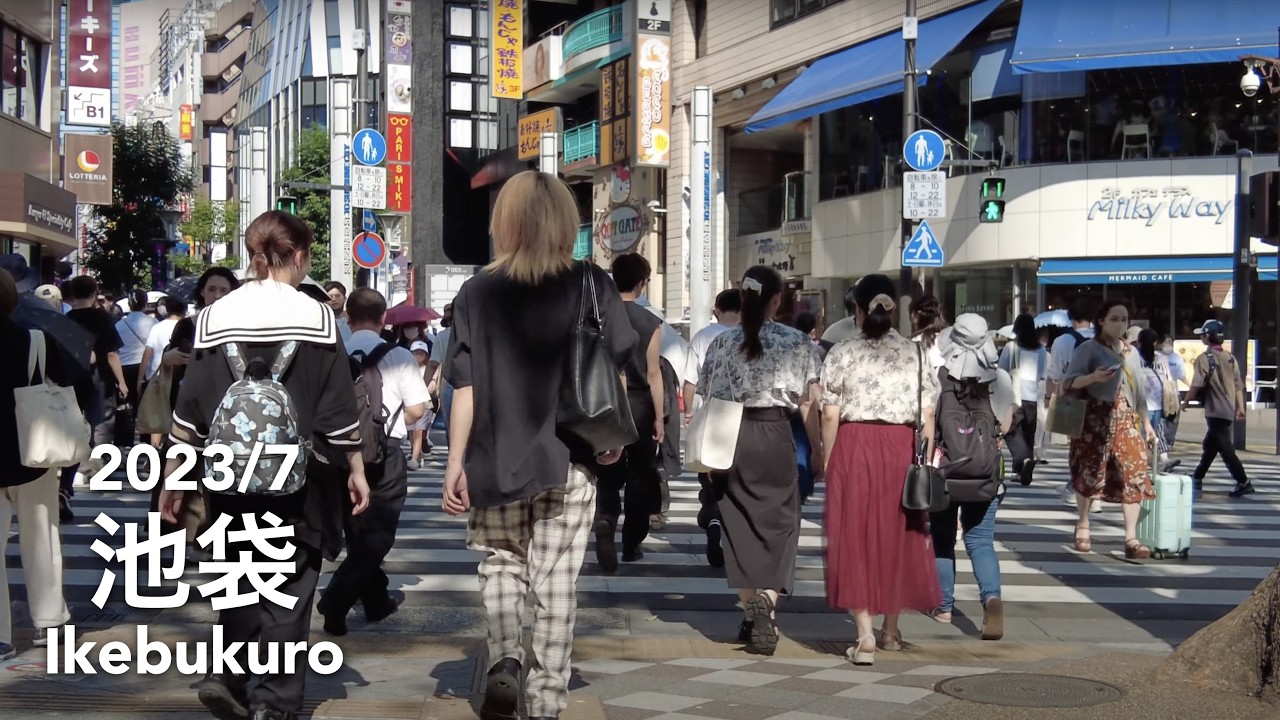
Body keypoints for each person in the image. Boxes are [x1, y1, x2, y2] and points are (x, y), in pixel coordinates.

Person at [159, 211, 370, 720]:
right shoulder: (318, 318)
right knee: (290, 591)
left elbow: (191, 410)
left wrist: (173, 475)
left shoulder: (213, 318)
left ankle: (232, 677)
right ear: (298, 256)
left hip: (230, 477)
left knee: (237, 579)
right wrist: (357, 468)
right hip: (303, 479)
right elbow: (339, 412)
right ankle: (272, 703)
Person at [440, 171, 635, 720]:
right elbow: (615, 367)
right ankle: (546, 698)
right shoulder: (593, 283)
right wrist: (612, 439)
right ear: (564, 222)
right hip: (568, 457)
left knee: (500, 565)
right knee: (556, 585)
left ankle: (504, 657)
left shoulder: (477, 291)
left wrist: (455, 462)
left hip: (495, 458)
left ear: (506, 221)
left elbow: (466, 389)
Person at [696, 266, 821, 656]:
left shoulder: (721, 344)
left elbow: (708, 396)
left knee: (737, 523)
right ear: (777, 299)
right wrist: (817, 449)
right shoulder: (797, 342)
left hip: (732, 436)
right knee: (783, 522)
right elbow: (808, 402)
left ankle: (752, 612)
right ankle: (766, 600)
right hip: (776, 435)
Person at [820, 274, 941, 667]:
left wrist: (828, 458)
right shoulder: (915, 353)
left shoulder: (841, 351)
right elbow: (927, 417)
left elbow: (829, 413)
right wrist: (922, 458)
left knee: (854, 536)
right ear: (895, 312)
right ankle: (890, 631)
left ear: (857, 309)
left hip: (854, 445)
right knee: (898, 535)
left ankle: (864, 634)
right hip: (901, 448)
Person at [318, 288, 428, 635]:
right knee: (379, 537)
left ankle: (375, 601)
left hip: (339, 455)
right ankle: (335, 600)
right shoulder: (399, 356)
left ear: (347, 317)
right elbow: (417, 409)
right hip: (385, 454)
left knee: (358, 533)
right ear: (384, 319)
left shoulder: (335, 353)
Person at [927, 314, 1015, 641]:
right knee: (980, 541)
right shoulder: (1000, 379)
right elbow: (1004, 427)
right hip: (986, 474)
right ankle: (991, 598)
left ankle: (944, 606)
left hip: (946, 472)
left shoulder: (939, 378)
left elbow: (929, 427)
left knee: (942, 540)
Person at [0, 268, 73, 660]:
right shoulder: (35, 340)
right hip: (33, 451)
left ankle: (0, 636)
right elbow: (65, 385)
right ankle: (48, 621)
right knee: (41, 537)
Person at [1062, 299, 1157, 559]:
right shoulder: (1088, 349)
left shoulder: (1132, 352)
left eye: (1124, 319)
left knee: (1135, 471)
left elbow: (1138, 392)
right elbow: (1067, 383)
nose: (1120, 324)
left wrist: (1147, 424)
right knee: (1091, 472)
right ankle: (1083, 523)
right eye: (1114, 318)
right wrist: (1093, 377)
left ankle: (1131, 538)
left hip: (1126, 419)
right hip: (1094, 419)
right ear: (1101, 321)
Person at [594, 252, 665, 571]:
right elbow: (654, 373)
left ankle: (606, 518)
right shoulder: (650, 322)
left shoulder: (599, 317)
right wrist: (660, 417)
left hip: (605, 401)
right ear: (641, 283)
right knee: (640, 473)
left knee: (606, 470)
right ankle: (632, 542)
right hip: (639, 404)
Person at [682, 288, 741, 568]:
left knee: (712, 480)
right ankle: (733, 533)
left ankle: (714, 518)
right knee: (739, 482)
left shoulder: (704, 336)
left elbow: (691, 381)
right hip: (745, 418)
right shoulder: (752, 334)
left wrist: (690, 412)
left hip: (714, 417)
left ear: (717, 310)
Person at [62, 275, 128, 520]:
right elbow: (111, 354)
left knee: (73, 426)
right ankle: (96, 470)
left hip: (70, 378)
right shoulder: (102, 318)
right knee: (101, 423)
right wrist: (121, 382)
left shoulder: (66, 319)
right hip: (99, 378)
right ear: (93, 292)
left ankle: (71, 473)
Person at [1183, 320, 1253, 498]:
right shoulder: (1230, 358)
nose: (1201, 337)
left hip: (1215, 410)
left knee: (1225, 449)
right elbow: (1239, 385)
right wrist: (1240, 407)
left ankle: (1243, 481)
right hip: (1228, 410)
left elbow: (1196, 384)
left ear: (1208, 336)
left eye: (1203, 334)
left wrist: (1185, 401)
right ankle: (1198, 477)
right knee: (1210, 445)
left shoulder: (1204, 359)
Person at [1046, 296, 1101, 509]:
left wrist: (1050, 399)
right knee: (1097, 446)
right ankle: (1091, 491)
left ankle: (1080, 487)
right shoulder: (1102, 338)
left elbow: (1056, 375)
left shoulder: (1062, 341)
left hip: (1071, 399)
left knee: (1076, 448)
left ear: (1071, 317)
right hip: (1100, 400)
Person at [999, 314, 1048, 485]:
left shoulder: (1010, 347)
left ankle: (1024, 462)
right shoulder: (1041, 350)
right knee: (1028, 434)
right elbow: (1042, 374)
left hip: (1013, 396)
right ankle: (1023, 469)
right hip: (1032, 397)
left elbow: (1001, 371)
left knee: (1011, 432)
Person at [114, 288, 157, 446]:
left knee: (125, 407)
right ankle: (146, 444)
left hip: (124, 369)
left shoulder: (119, 324)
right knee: (146, 407)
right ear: (145, 303)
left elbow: (115, 350)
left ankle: (124, 443)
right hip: (146, 368)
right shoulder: (153, 323)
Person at [1136, 329, 1180, 473]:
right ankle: (1158, 463)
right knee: (1155, 434)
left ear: (1139, 342)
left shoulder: (1135, 359)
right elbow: (1169, 380)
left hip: (1141, 405)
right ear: (1155, 343)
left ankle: (1152, 464)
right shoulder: (1162, 359)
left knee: (1144, 437)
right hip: (1158, 403)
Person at [1157, 331, 1187, 445]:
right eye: (1167, 342)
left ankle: (1169, 441)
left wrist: (1190, 386)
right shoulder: (1156, 357)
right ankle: (1161, 442)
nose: (1170, 344)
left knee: (1173, 419)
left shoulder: (1176, 358)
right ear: (1160, 344)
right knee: (1161, 419)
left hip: (1174, 393)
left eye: (1171, 342)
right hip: (1160, 393)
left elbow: (1182, 375)